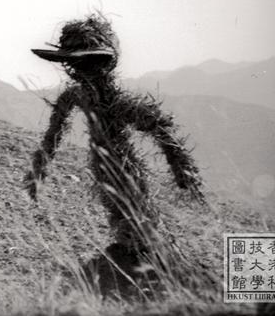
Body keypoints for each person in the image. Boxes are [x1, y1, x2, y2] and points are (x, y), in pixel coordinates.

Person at [24, 15, 204, 255]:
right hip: (104, 168)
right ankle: (133, 253)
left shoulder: (116, 103)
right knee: (119, 212)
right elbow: (52, 135)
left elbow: (160, 128)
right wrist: (38, 171)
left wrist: (183, 172)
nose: (83, 71)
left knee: (136, 212)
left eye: (88, 63)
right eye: (79, 65)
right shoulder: (76, 96)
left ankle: (148, 255)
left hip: (124, 169)